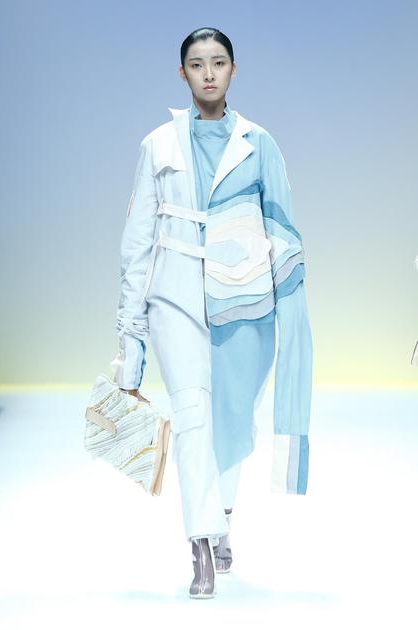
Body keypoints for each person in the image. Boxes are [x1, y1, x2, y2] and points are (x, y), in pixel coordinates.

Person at [111, 27, 313, 599]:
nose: (207, 73)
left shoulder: (260, 144)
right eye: (196, 64)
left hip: (245, 299)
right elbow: (137, 243)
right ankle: (200, 541)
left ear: (232, 70)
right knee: (193, 413)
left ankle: (221, 512)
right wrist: (130, 335)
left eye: (217, 62)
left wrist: (291, 305)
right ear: (182, 74)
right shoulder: (157, 145)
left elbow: (283, 230)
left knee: (232, 418)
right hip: (174, 295)